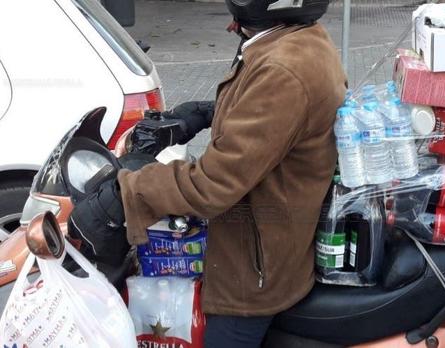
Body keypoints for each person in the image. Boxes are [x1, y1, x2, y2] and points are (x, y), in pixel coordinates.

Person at [68, 0, 347, 346]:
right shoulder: (299, 41)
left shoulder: (282, 68)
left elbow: (212, 185)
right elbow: (269, 118)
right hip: (264, 246)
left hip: (252, 280)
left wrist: (129, 190)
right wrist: (201, 114)